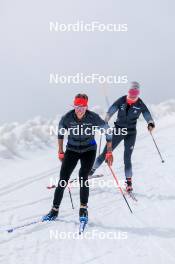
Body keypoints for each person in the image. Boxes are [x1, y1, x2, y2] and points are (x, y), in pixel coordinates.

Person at [42, 93, 113, 222]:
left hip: (89, 150)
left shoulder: (93, 117)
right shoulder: (67, 118)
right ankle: (54, 210)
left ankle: (83, 209)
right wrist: (60, 151)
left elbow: (108, 131)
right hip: (72, 150)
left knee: (83, 177)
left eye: (82, 106)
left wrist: (109, 152)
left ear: (86, 107)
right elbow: (60, 134)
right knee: (63, 179)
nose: (79, 109)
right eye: (77, 106)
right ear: (73, 106)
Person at [89, 82, 155, 192]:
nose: (133, 94)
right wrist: (106, 119)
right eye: (131, 91)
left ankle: (128, 183)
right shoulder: (122, 100)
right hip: (119, 130)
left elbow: (147, 114)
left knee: (127, 157)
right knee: (106, 152)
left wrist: (150, 123)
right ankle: (90, 172)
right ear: (128, 91)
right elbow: (112, 109)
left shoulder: (140, 103)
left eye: (136, 92)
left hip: (131, 132)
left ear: (138, 93)